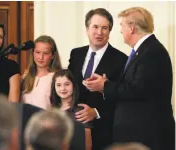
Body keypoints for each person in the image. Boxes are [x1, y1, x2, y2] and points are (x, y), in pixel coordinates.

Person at [83, 7, 175, 150]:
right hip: (138, 133)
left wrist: (105, 86)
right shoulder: (144, 50)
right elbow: (133, 85)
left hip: (146, 135)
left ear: (131, 28)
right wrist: (106, 83)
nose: (120, 30)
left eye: (122, 25)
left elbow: (137, 89)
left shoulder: (152, 52)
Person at [68, 8, 127, 150]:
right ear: (87, 29)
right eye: (95, 27)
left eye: (104, 28)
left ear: (110, 31)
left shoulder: (121, 59)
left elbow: (123, 97)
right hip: (74, 128)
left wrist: (96, 112)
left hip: (104, 131)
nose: (99, 32)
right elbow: (69, 84)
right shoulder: (76, 54)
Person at [50, 69, 92, 150]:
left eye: (67, 84)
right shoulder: (52, 110)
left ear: (73, 85)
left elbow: (87, 144)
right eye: (58, 85)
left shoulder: (81, 111)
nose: (63, 88)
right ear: (54, 87)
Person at [21, 35, 62, 109]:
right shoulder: (26, 77)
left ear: (53, 55)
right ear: (33, 53)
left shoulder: (57, 78)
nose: (41, 57)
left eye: (45, 53)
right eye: (37, 52)